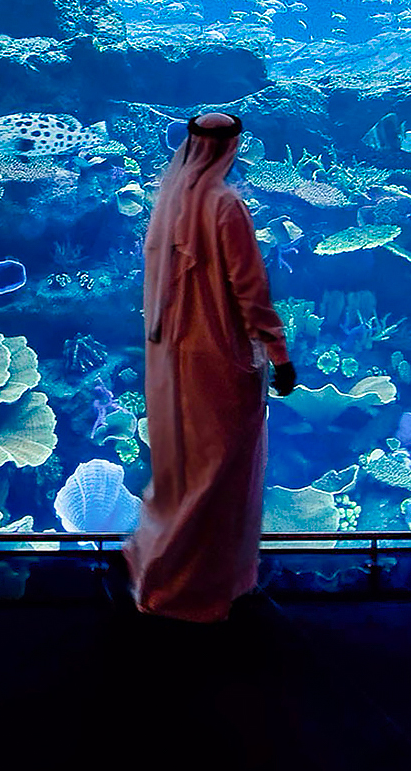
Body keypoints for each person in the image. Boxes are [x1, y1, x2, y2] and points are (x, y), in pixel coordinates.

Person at [122, 111, 296, 623]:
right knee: (221, 476)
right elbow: (250, 291)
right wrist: (279, 354)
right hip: (221, 358)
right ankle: (193, 590)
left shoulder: (170, 199)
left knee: (183, 470)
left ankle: (154, 571)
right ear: (229, 147)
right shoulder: (225, 205)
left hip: (172, 356)